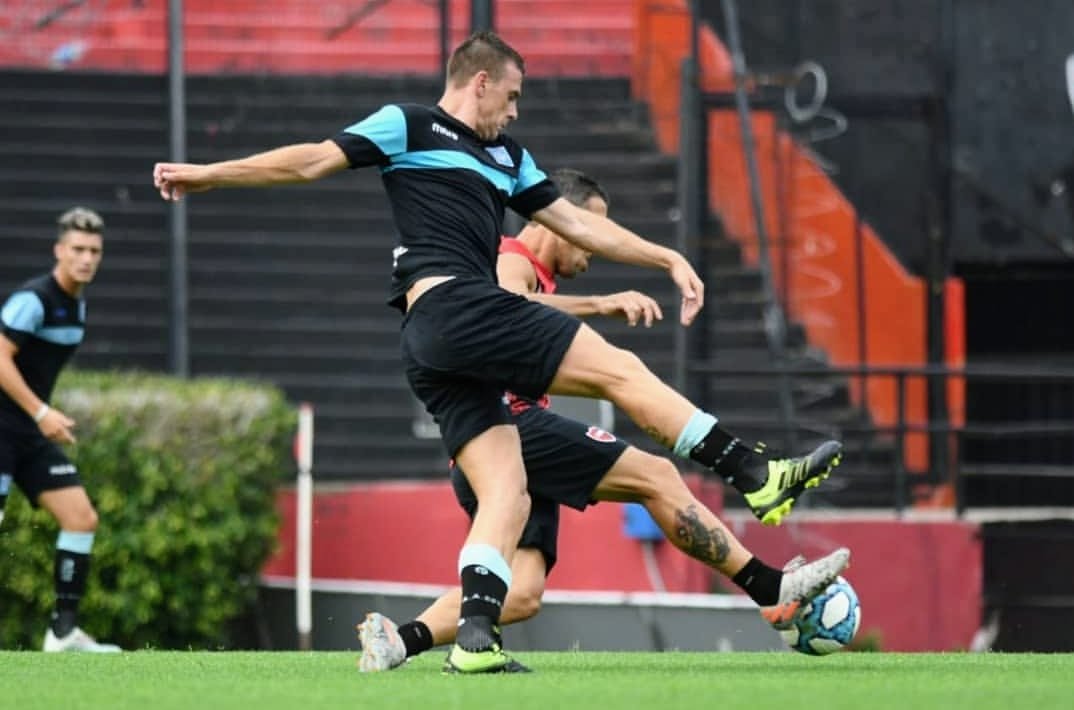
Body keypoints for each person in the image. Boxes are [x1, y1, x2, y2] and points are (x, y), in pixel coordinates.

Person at [152, 31, 845, 673]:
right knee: (621, 369)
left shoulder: (510, 160)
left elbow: (577, 224)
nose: (515, 111)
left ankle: (473, 643)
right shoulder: (408, 123)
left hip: (432, 348)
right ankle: (754, 472)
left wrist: (664, 255)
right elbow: (311, 161)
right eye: (511, 95)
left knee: (507, 494)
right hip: (455, 304)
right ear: (479, 81)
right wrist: (212, 174)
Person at [355, 169, 849, 672]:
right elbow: (508, 307)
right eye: (588, 230)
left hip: (502, 443)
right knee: (656, 475)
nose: (591, 252)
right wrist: (598, 305)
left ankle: (401, 642)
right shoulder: (509, 257)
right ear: (556, 221)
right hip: (509, 427)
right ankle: (769, 586)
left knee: (522, 593)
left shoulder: (528, 268)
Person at [0, 207, 120, 653]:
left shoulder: (77, 305)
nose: (86, 258)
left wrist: (40, 420)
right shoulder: (33, 299)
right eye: (78, 249)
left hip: (28, 432)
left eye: (94, 251)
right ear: (59, 251)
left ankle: (63, 634)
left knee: (80, 517)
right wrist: (40, 412)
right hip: (8, 426)